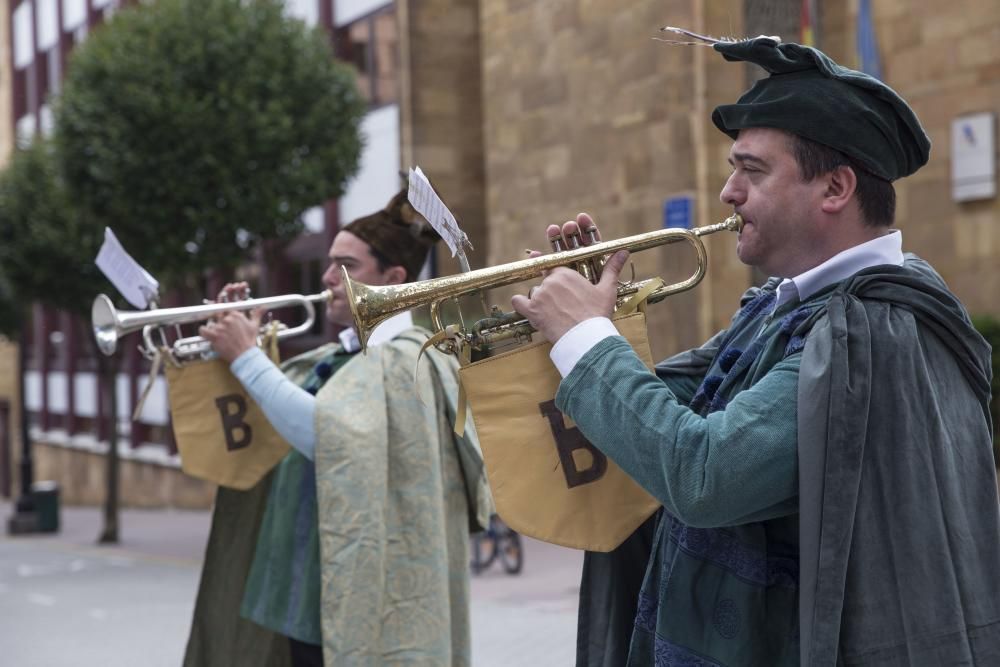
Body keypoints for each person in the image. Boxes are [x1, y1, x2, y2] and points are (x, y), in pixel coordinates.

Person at [511, 35, 1000, 666]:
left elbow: (705, 474)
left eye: (753, 170)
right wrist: (598, 314)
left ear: (835, 189)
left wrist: (585, 337)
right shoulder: (783, 308)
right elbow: (659, 419)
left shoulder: (874, 331)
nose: (728, 192)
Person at [183, 188, 491, 667]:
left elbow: (328, 437)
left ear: (393, 279)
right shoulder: (339, 356)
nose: (327, 278)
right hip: (301, 588)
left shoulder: (409, 357)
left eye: (345, 266)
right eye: (329, 263)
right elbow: (266, 424)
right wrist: (235, 341)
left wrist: (245, 357)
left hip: (362, 589)